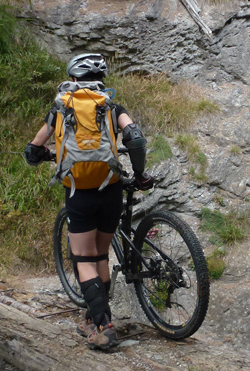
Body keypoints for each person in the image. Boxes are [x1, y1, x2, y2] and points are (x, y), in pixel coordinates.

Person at [23, 53, 154, 350]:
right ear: (101, 79)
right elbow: (135, 138)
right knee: (100, 256)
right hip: (111, 189)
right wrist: (141, 173)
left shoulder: (60, 109)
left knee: (83, 258)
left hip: (79, 192)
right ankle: (93, 318)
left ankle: (104, 328)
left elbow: (32, 152)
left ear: (74, 78)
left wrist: (43, 155)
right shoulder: (111, 106)